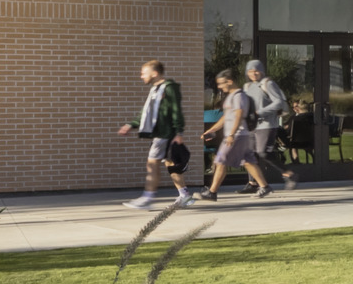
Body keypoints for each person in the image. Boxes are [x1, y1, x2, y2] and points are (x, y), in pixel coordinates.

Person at [116, 59, 196, 209]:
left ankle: (148, 197)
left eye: (143, 73)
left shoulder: (168, 88)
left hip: (165, 134)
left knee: (152, 164)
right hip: (160, 133)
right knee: (170, 163)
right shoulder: (155, 89)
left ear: (154, 73)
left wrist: (179, 131)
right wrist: (130, 125)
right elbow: (146, 112)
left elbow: (176, 110)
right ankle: (184, 195)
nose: (141, 76)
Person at [206, 69, 274, 198]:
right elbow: (226, 117)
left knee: (220, 161)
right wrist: (213, 129)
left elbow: (238, 115)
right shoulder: (231, 96)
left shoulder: (239, 96)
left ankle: (212, 192)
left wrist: (231, 134)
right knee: (248, 161)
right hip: (241, 135)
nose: (219, 86)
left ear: (230, 81)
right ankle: (264, 186)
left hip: (237, 135)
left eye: (221, 83)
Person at [240, 59, 290, 185]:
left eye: (256, 71)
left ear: (261, 71)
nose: (254, 73)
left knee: (263, 153)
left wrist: (259, 113)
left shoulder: (268, 84)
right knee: (250, 155)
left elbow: (278, 102)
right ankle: (252, 183)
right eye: (250, 71)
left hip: (267, 125)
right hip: (252, 125)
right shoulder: (247, 86)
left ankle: (288, 173)